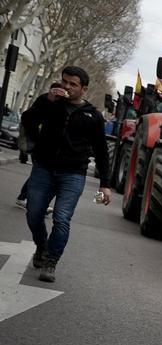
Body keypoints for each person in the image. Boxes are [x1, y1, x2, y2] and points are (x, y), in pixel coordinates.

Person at [21, 68, 111, 282]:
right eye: (65, 82)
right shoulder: (50, 103)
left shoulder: (93, 116)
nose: (67, 87)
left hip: (73, 174)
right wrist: (47, 101)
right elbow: (28, 120)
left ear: (84, 89)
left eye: (73, 84)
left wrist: (104, 185)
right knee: (33, 214)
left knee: (62, 219)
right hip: (43, 168)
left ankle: (51, 261)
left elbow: (101, 151)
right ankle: (42, 246)